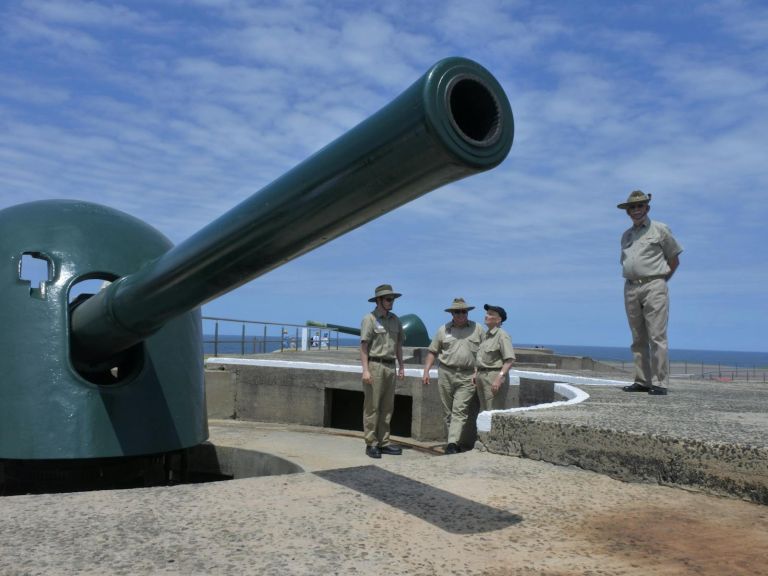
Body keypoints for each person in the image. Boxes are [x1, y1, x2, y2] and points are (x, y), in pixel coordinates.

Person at [618, 190, 683, 396]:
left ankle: (660, 382)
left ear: (647, 208)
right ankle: (642, 380)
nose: (636, 210)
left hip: (654, 285)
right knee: (638, 337)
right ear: (628, 212)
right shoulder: (626, 235)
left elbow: (674, 259)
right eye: (632, 208)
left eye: (640, 206)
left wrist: (661, 281)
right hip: (630, 287)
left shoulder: (660, 230)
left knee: (657, 335)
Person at [422, 298, 484, 454]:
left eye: (464, 311)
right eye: (458, 311)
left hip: (468, 375)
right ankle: (454, 441)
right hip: (446, 373)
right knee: (448, 411)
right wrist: (426, 371)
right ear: (452, 313)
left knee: (459, 409)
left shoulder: (478, 329)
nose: (461, 314)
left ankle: (451, 443)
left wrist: (478, 371)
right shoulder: (443, 330)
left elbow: (484, 352)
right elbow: (432, 351)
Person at [360, 284, 405, 458]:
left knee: (387, 407)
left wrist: (401, 366)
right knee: (372, 406)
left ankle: (384, 441)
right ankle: (371, 442)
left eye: (392, 299)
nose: (391, 302)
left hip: (390, 366)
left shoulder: (395, 320)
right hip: (375, 365)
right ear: (379, 300)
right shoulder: (369, 319)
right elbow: (364, 346)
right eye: (388, 299)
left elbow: (399, 344)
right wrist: (365, 370)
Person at [474, 304, 516, 411]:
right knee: (483, 411)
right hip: (481, 376)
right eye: (487, 313)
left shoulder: (502, 335)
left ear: (498, 320)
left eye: (490, 314)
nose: (486, 316)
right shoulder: (486, 336)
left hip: (493, 376)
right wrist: (476, 373)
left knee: (492, 411)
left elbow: (510, 359)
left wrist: (499, 377)